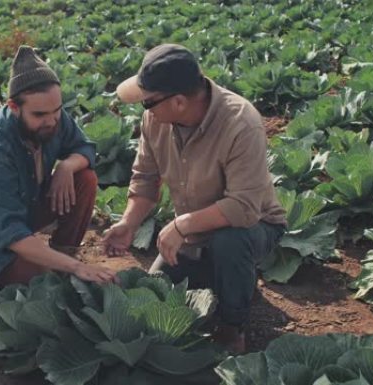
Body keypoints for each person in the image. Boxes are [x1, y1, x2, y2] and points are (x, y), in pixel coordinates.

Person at [103, 44, 287, 353]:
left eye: (148, 102)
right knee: (156, 290)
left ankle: (233, 325)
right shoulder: (157, 120)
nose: (144, 109)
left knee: (231, 243)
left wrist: (182, 225)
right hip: (193, 232)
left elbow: (243, 208)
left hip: (254, 226)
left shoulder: (241, 123)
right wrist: (128, 222)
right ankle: (230, 281)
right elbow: (146, 179)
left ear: (178, 101)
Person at [0, 45, 117, 286]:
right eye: (40, 115)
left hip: (22, 211)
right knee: (48, 285)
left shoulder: (53, 117)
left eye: (57, 111)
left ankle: (63, 255)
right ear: (13, 107)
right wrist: (78, 268)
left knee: (84, 177)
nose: (52, 121)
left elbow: (85, 148)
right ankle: (58, 265)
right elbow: (7, 231)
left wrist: (66, 167)